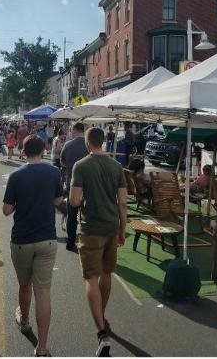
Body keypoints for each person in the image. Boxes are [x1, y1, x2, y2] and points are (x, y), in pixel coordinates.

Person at [3, 135, 63, 357]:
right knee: (43, 292)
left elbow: (7, 210)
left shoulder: (16, 176)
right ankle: (42, 347)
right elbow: (58, 201)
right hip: (47, 239)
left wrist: (20, 202)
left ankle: (25, 321)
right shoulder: (53, 172)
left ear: (23, 151)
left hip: (22, 240)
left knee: (24, 285)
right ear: (44, 149)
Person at [70, 127, 127, 357]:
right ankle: (101, 315)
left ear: (87, 142)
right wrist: (122, 229)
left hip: (91, 228)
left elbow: (74, 201)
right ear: (103, 142)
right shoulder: (116, 166)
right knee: (106, 273)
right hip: (111, 227)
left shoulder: (81, 166)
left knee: (90, 277)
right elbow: (123, 203)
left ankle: (101, 331)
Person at [60, 122, 88, 253]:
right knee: (88, 213)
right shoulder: (89, 145)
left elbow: (62, 162)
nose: (70, 132)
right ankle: (88, 241)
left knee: (72, 214)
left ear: (75, 130)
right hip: (88, 185)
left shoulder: (68, 145)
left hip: (72, 182)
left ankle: (71, 242)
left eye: (71, 130)